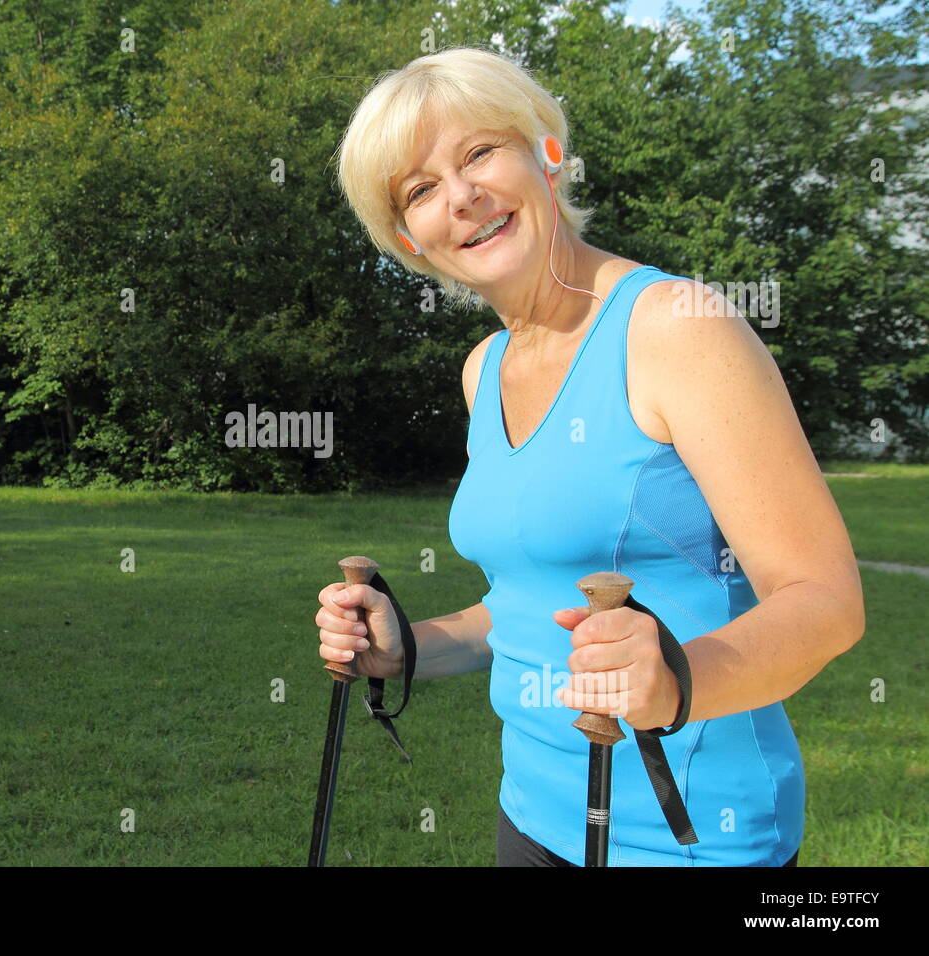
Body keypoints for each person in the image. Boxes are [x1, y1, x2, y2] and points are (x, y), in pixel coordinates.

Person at [314, 47, 865, 866]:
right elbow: (527, 607)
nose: (461, 198)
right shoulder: (484, 369)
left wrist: (676, 678)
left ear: (547, 152)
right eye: (421, 191)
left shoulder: (676, 327)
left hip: (688, 838)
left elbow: (825, 602)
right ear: (409, 238)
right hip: (533, 819)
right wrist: (411, 644)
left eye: (478, 153)